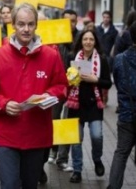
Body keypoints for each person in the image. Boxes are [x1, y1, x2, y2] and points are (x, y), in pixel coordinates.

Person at [0, 2, 68, 189]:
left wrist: (48, 96)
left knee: (29, 185)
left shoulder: (51, 56)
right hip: (6, 134)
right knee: (9, 184)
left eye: (30, 24)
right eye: (21, 24)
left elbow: (62, 86)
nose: (26, 29)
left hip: (36, 133)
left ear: (36, 25)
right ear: (13, 25)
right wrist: (3, 103)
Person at [66, 26, 112, 183]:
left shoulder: (102, 59)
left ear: (95, 42)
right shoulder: (73, 57)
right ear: (81, 41)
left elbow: (108, 83)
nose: (88, 42)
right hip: (75, 104)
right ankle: (77, 170)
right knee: (76, 139)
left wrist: (96, 80)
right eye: (85, 39)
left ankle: (97, 160)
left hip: (94, 105)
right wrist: (71, 79)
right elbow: (64, 80)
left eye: (91, 39)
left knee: (96, 135)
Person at [107, 20, 136, 189]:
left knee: (121, 153)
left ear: (130, 36)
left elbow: (117, 83)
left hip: (127, 114)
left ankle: (114, 186)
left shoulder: (119, 59)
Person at [54, 9, 80, 172]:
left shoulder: (79, 38)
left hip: (74, 88)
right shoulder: (54, 36)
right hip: (56, 87)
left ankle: (62, 158)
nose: (70, 24)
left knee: (68, 122)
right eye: (67, 20)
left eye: (73, 21)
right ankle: (52, 150)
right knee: (53, 119)